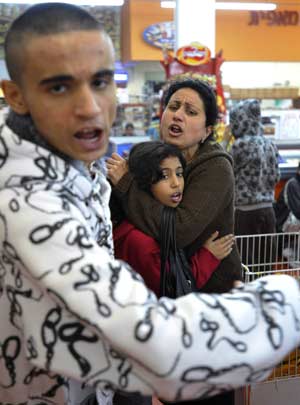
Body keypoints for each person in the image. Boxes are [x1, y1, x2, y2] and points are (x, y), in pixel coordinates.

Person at [1, 3, 300, 405]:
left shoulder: (78, 169)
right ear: (15, 96)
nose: (90, 106)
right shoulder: (28, 196)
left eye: (102, 81)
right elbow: (159, 345)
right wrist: (286, 299)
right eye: (60, 86)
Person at [112, 140, 234, 296]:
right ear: (143, 181)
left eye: (179, 173)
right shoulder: (140, 242)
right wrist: (207, 257)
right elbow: (173, 288)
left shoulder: (149, 223)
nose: (176, 183)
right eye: (164, 176)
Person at [228, 99, 280, 268]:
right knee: (266, 262)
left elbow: (226, 173)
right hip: (268, 211)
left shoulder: (239, 145)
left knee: (245, 265)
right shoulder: (270, 144)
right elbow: (276, 176)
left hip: (244, 214)